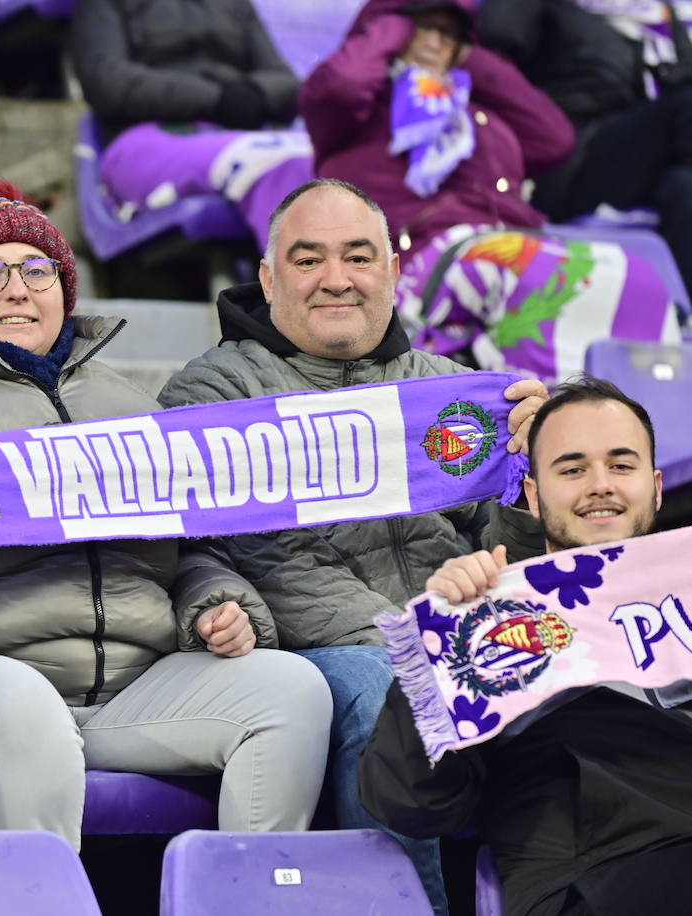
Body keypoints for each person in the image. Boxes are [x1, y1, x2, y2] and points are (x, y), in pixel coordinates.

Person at [0, 176, 333, 849]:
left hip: (128, 689)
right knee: (19, 698)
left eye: (37, 270)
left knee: (289, 690)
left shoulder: (131, 405)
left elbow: (192, 544)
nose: (16, 289)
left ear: (64, 290)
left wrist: (213, 602)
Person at [158, 177, 551, 914]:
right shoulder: (212, 395)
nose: (336, 279)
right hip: (327, 653)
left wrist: (534, 480)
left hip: (457, 633)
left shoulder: (458, 390)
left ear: (393, 273)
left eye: (357, 256)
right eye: (308, 261)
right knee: (388, 692)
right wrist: (416, 643)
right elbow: (258, 556)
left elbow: (505, 552)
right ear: (269, 279)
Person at [358, 376, 692, 916]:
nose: (600, 485)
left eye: (622, 466)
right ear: (534, 494)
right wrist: (443, 651)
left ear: (656, 487)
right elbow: (411, 804)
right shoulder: (495, 626)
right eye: (572, 469)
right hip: (605, 879)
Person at [301, 0, 677, 383]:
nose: (435, 41)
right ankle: (552, 416)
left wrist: (470, 58)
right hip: (416, 257)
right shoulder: (356, 111)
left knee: (632, 271)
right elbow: (343, 84)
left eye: (448, 33)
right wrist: (393, 30)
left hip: (508, 244)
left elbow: (555, 139)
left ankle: (635, 417)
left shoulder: (475, 109)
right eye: (422, 27)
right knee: (524, 270)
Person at [479, 0, 692, 323]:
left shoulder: (657, 14)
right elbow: (499, 32)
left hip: (638, 162)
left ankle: (687, 319)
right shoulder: (556, 10)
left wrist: (682, 73)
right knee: (687, 106)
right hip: (573, 162)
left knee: (690, 185)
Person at [70, 0, 315, 253]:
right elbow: (106, 80)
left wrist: (256, 93)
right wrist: (214, 99)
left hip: (240, 128)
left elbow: (284, 78)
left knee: (332, 157)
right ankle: (302, 286)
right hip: (150, 135)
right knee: (278, 164)